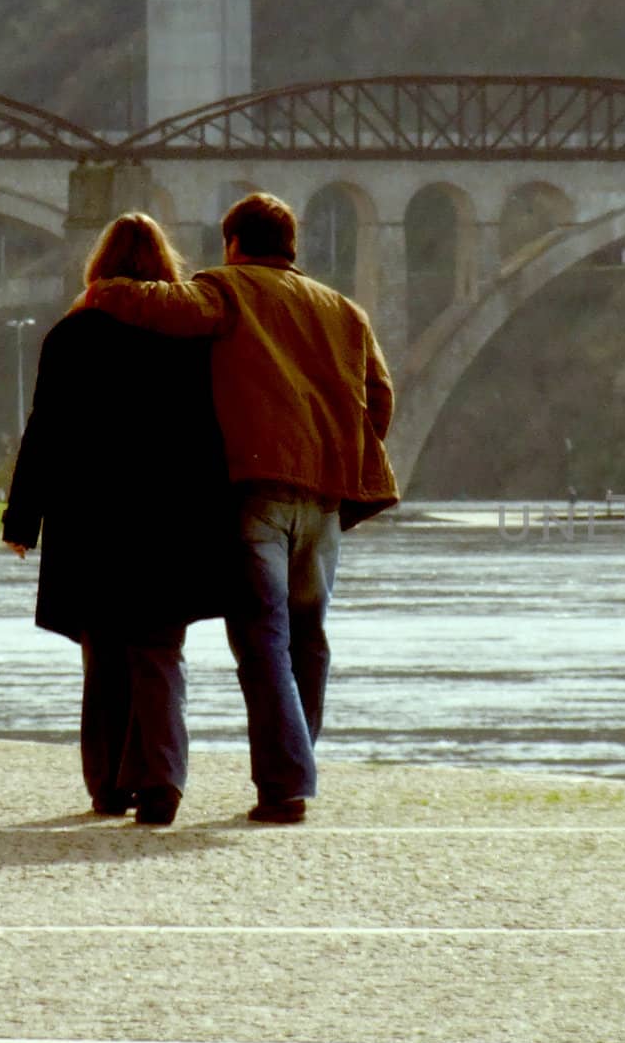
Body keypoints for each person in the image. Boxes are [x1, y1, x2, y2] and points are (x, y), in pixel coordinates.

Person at [85, 192, 398, 824]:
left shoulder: (226, 290)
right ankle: (294, 766)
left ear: (233, 243)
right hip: (326, 497)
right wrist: (343, 454)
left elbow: (162, 306)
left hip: (259, 492)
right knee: (309, 639)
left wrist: (104, 290)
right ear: (292, 247)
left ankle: (285, 787)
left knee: (264, 643)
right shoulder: (344, 310)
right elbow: (380, 396)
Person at [2, 213, 229, 826]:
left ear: (98, 268)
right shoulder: (191, 339)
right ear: (164, 265)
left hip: (91, 520)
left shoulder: (71, 336)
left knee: (104, 654)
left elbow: (44, 434)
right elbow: (214, 434)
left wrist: (22, 520)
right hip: (169, 521)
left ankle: (107, 786)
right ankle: (160, 782)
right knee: (158, 652)